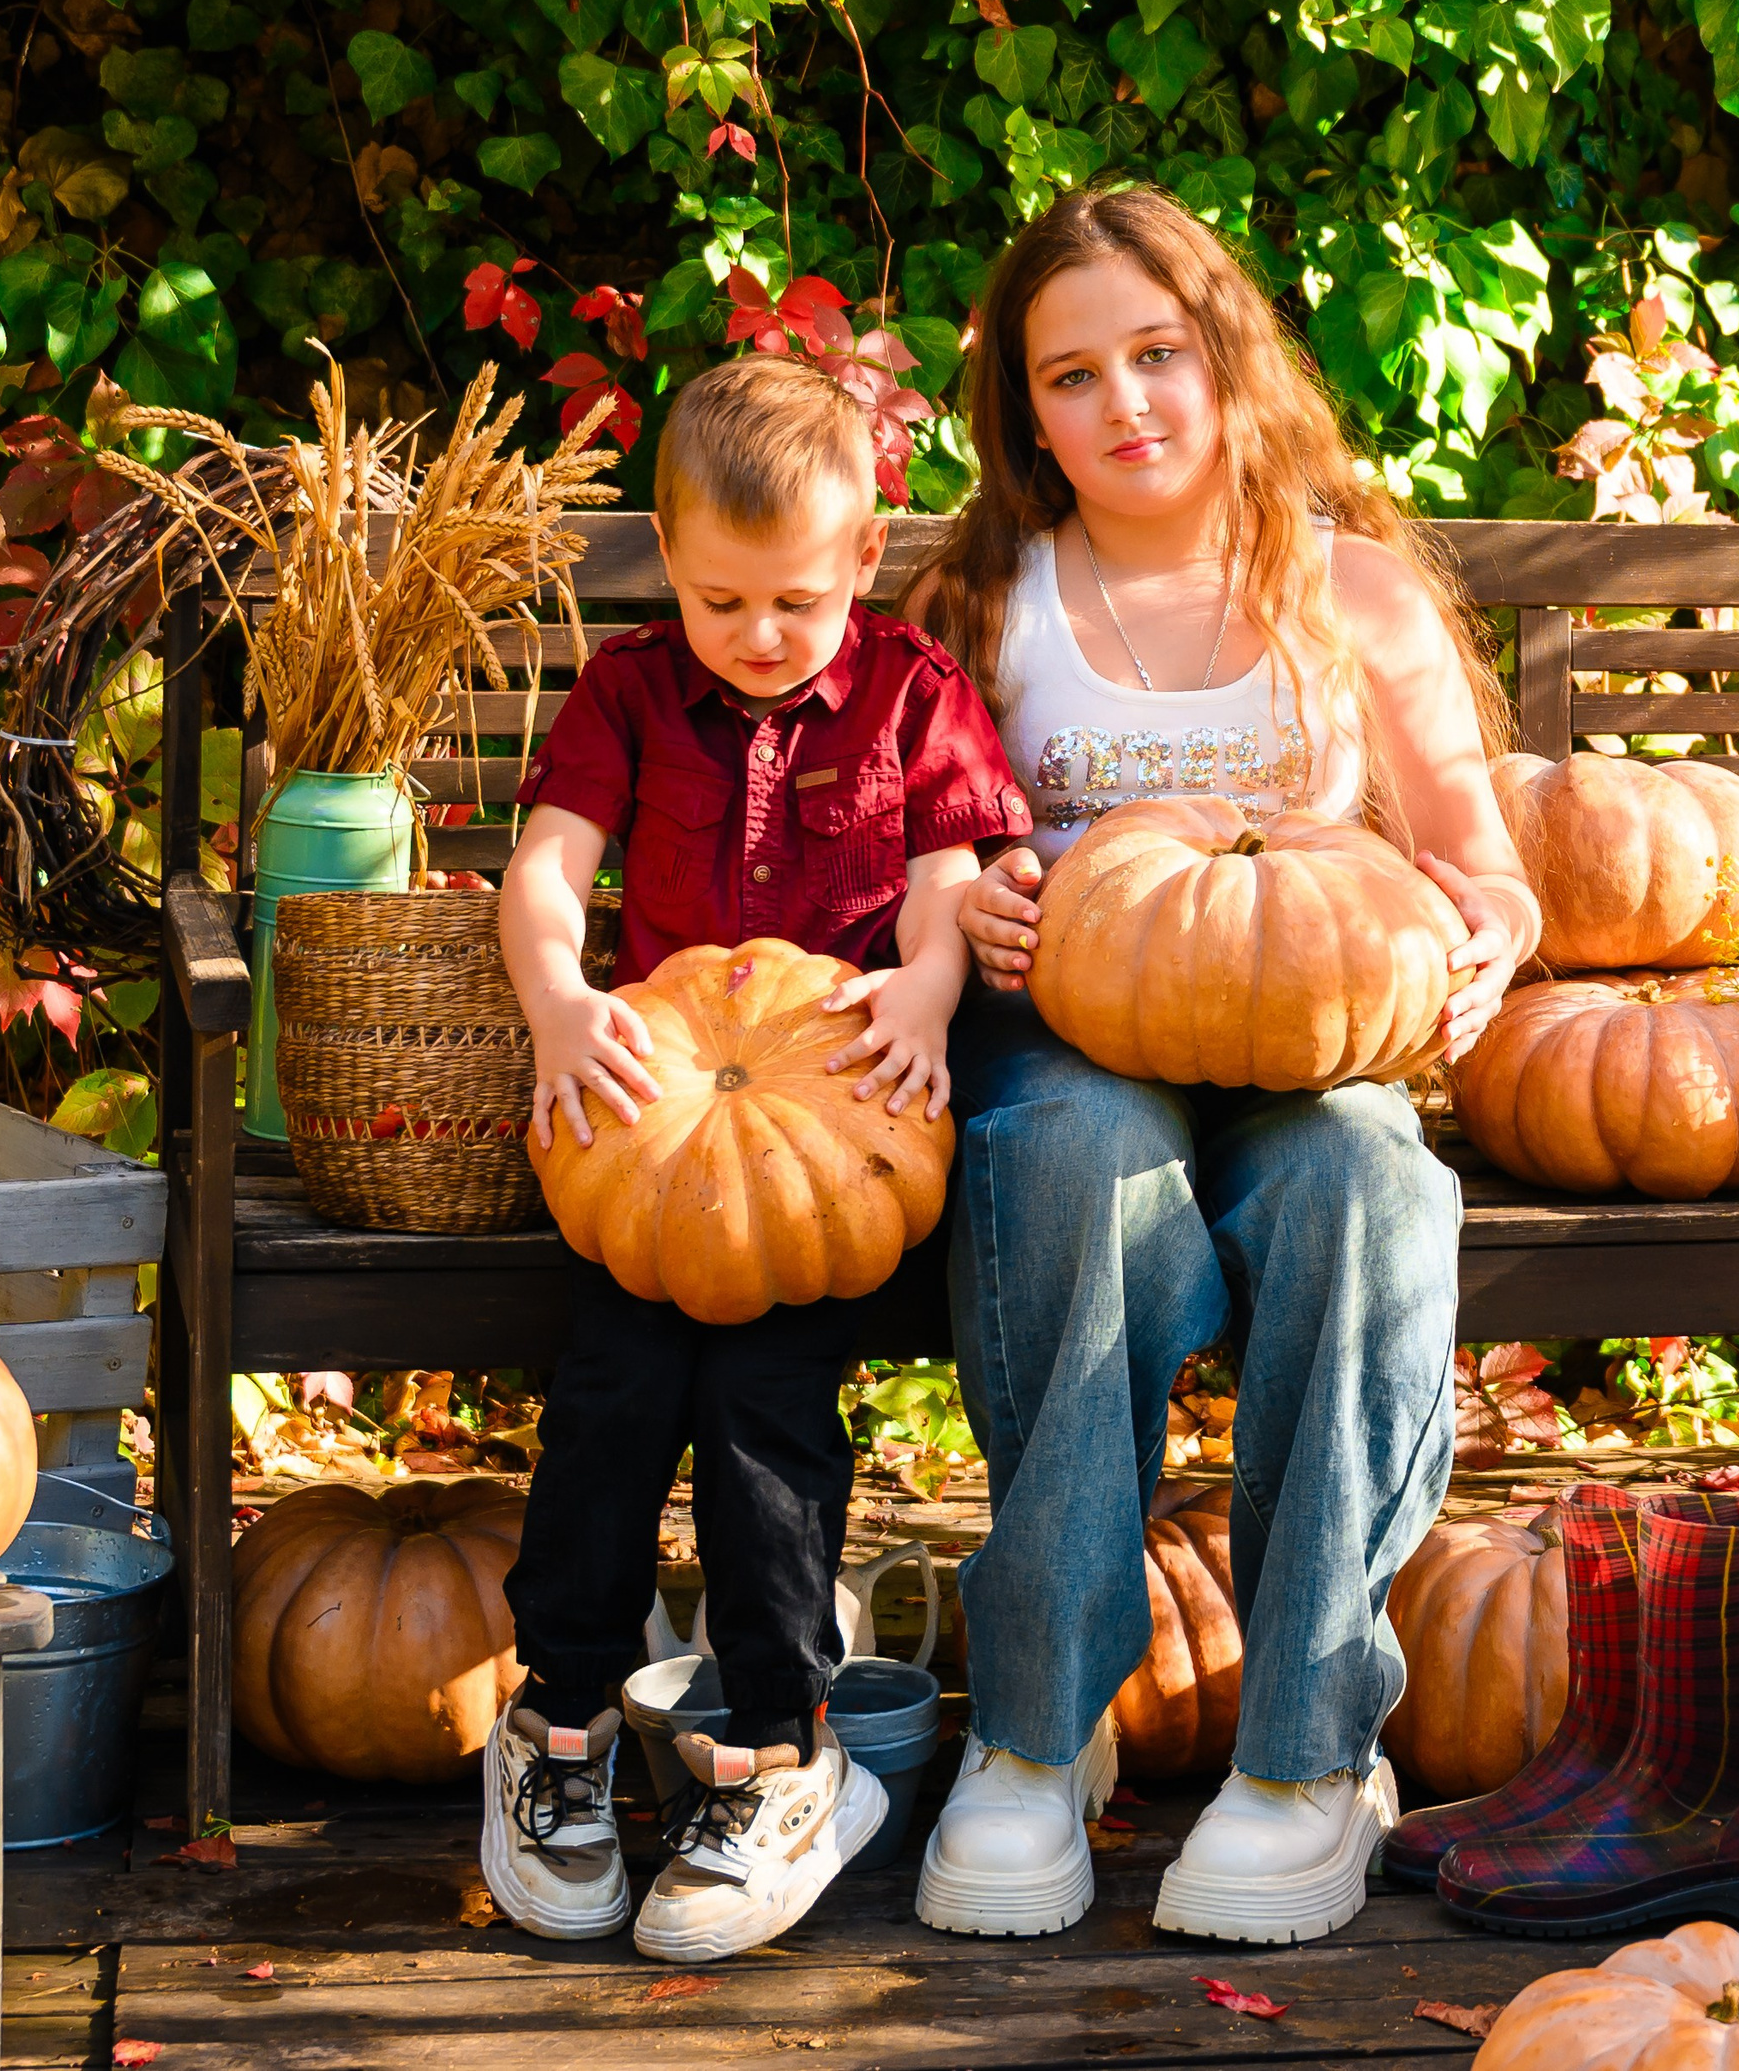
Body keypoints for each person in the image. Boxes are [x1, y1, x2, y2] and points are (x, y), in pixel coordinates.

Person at [908, 187, 1541, 1946]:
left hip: (1304, 1037)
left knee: (1371, 1190)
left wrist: (1482, 936)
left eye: (1158, 354)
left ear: (1225, 356)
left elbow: (1482, 860)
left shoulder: (1352, 595)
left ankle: (1309, 1746)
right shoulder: (986, 600)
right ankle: (1039, 1732)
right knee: (1064, 1164)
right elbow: (920, 841)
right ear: (1025, 412)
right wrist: (982, 902)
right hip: (1071, 1027)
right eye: (1074, 374)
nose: (1126, 404)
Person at [483, 356, 1030, 1962]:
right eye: (722, 600)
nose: (762, 635)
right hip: (643, 1124)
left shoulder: (912, 690)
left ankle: (781, 1749)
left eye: (796, 599)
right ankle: (562, 1720)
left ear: (865, 558)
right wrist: (559, 1007)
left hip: (840, 1136)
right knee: (610, 1397)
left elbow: (950, 877)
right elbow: (544, 871)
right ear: (667, 552)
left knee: (765, 1419)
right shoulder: (631, 692)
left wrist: (929, 991)